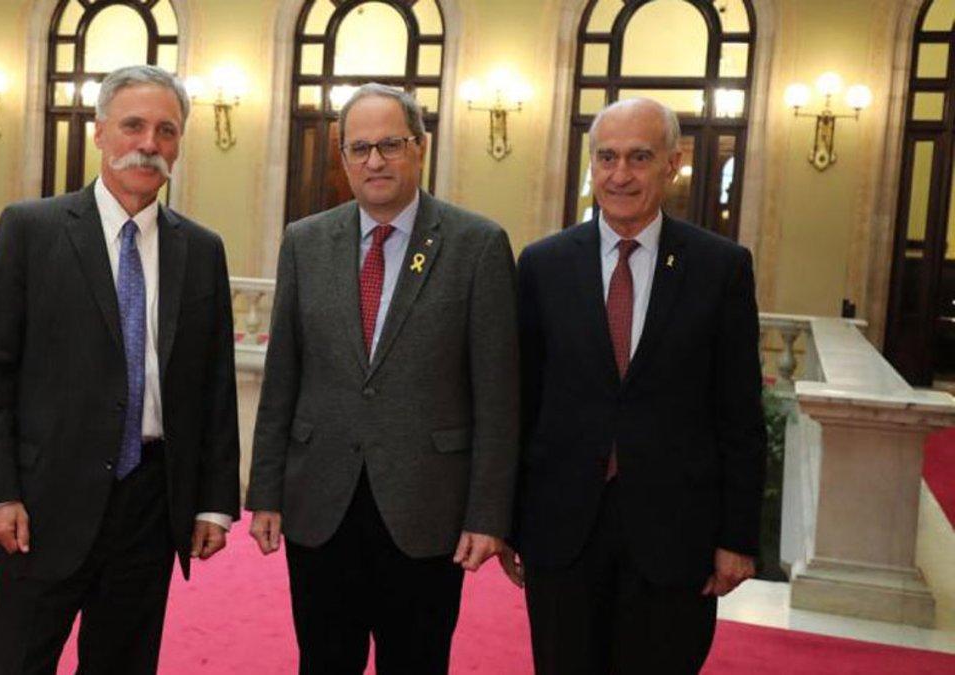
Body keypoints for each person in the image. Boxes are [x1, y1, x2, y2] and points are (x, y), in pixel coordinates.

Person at [0, 64, 240, 674]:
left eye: (166, 131)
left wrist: (214, 503)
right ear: (99, 132)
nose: (149, 144)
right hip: (40, 506)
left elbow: (215, 386)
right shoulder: (30, 230)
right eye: (134, 125)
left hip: (151, 503)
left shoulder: (200, 250)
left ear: (179, 144)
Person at [246, 83, 519, 674]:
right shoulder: (305, 242)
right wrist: (264, 492)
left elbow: (498, 397)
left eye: (390, 145)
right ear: (342, 157)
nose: (374, 161)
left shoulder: (477, 246)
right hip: (320, 503)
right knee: (323, 660)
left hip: (427, 507)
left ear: (419, 148)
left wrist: (487, 514)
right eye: (359, 147)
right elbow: (283, 377)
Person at [505, 97, 767, 673]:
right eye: (607, 157)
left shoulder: (719, 268)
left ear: (673, 164)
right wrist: (506, 522)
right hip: (562, 529)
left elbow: (740, 413)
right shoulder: (543, 264)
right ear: (591, 165)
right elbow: (520, 403)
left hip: (676, 536)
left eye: (640, 157)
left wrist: (738, 537)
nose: (620, 174)